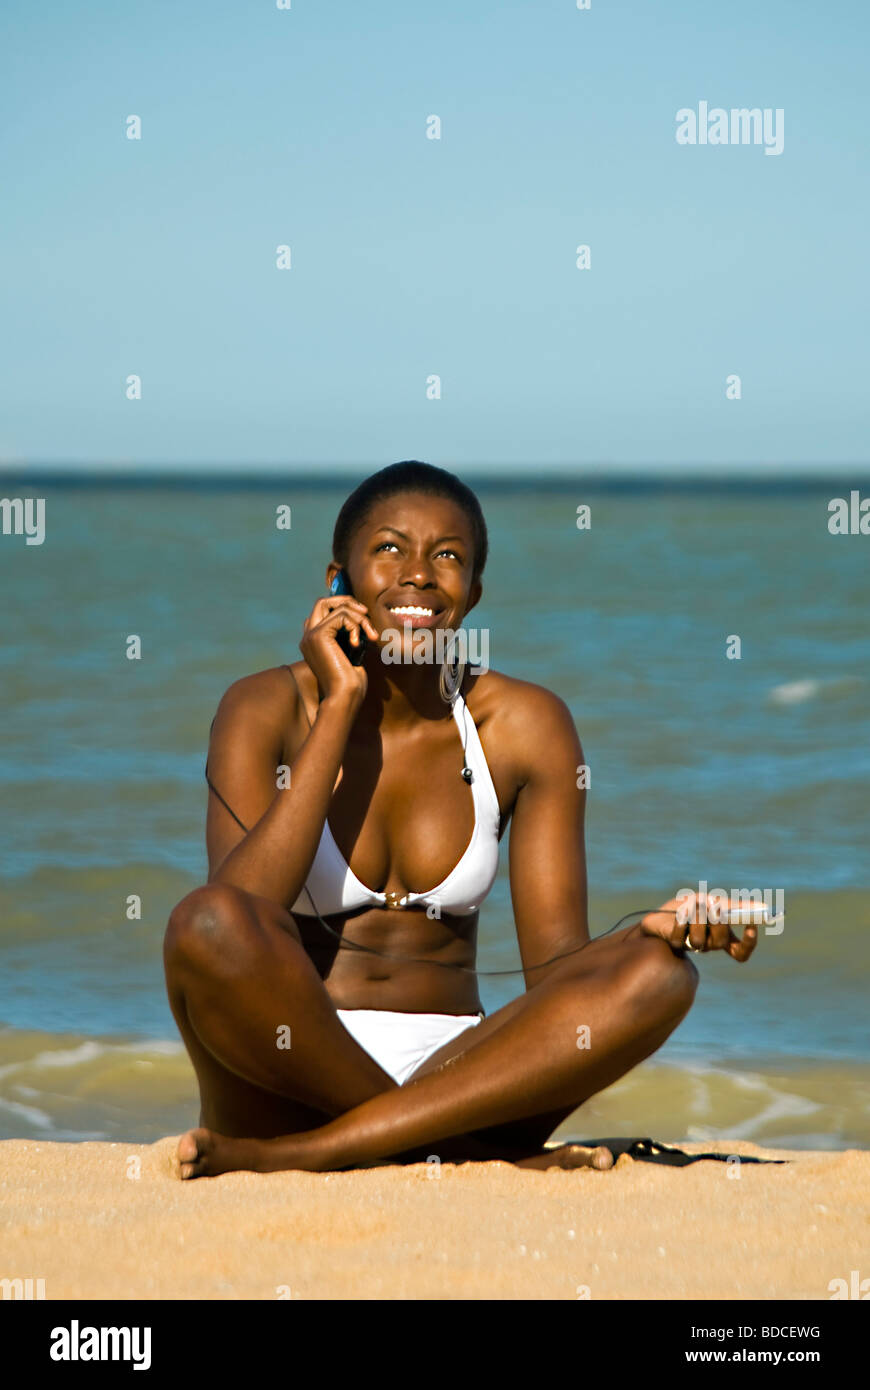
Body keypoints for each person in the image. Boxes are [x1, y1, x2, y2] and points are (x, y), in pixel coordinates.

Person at [164, 460, 757, 1179]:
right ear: (337, 579)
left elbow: (557, 974)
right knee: (206, 923)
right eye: (388, 549)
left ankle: (326, 1154)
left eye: (447, 556)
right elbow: (243, 912)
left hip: (461, 1078)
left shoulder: (522, 724)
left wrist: (644, 935)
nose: (417, 574)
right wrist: (340, 703)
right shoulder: (263, 709)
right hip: (285, 1077)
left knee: (662, 975)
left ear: (472, 592)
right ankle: (453, 1156)